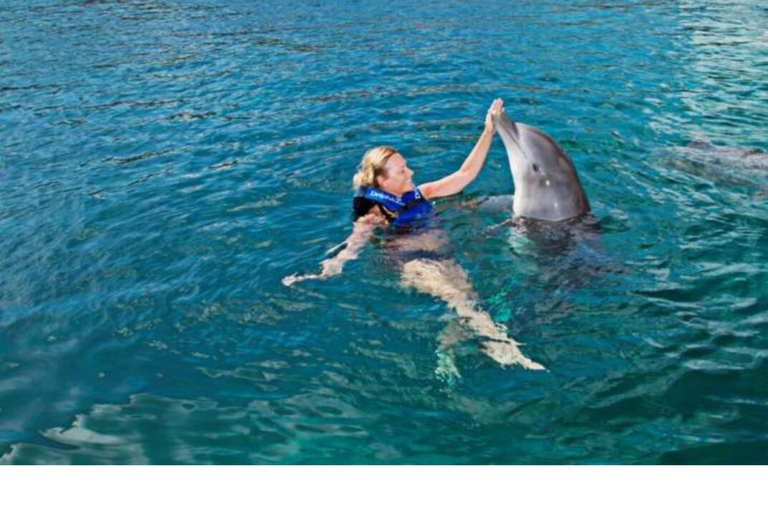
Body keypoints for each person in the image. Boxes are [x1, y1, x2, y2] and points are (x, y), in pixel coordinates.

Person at [283, 99, 544, 375]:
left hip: (441, 257)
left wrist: (487, 132)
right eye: (402, 170)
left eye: (406, 166)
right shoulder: (374, 215)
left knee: (470, 301)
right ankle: (503, 349)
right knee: (459, 298)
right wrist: (324, 273)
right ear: (383, 182)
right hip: (413, 263)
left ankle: (446, 349)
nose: (411, 172)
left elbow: (464, 174)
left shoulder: (419, 193)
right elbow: (352, 247)